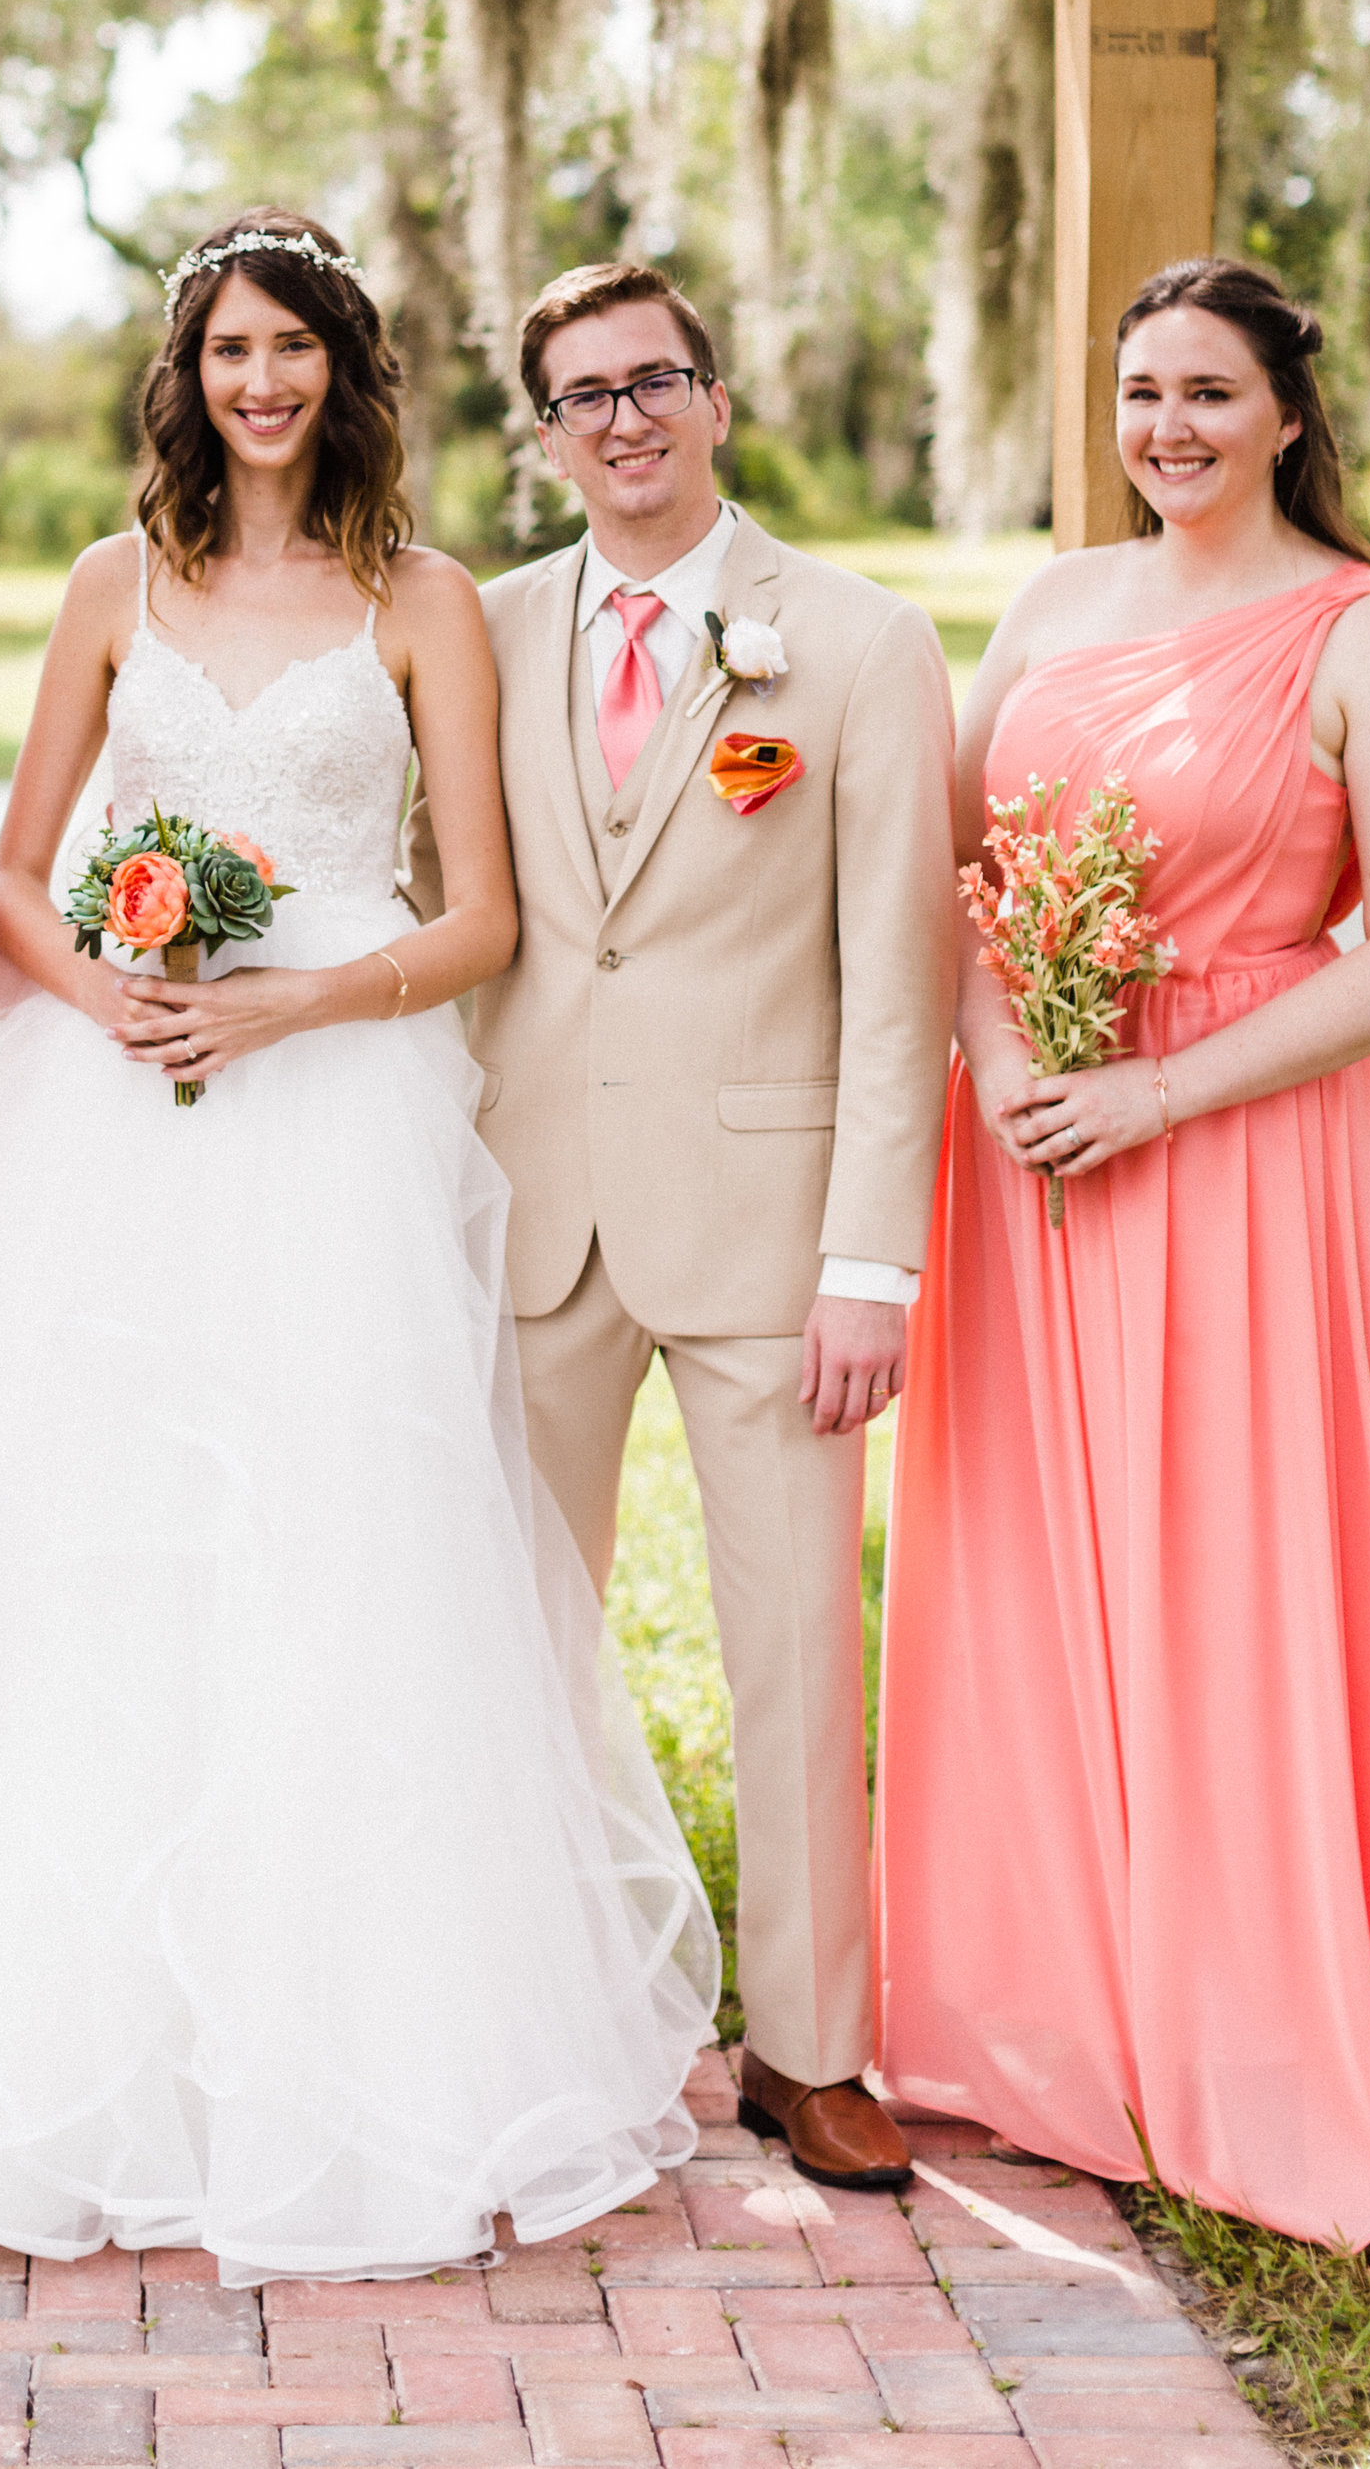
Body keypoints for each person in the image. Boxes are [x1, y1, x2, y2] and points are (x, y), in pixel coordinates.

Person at [0, 208, 720, 2267]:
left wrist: (285, 1002)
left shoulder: (420, 603)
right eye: (229, 350)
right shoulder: (106, 585)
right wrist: (112, 992)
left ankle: (347, 2049)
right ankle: (53, 2047)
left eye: (293, 351)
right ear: (188, 372)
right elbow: (14, 880)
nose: (260, 384)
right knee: (92, 1545)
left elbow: (478, 916)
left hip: (335, 1115)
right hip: (122, 1121)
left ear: (341, 373)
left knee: (335, 1543)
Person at [876, 255, 1370, 2243]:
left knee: (1230, 1570)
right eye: (1140, 393)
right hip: (1032, 1143)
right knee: (1035, 1559)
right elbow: (958, 875)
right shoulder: (1055, 603)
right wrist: (1000, 1063)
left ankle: (1243, 2032)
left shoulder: (1363, 631)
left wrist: (1153, 1092)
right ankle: (1039, 2019)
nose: (1167, 430)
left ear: (1288, 412)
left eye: (1208, 393)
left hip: (1232, 1153)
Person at [416, 259, 955, 2191]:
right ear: (542, 432)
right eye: (583, 394)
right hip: (531, 1212)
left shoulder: (864, 643)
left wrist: (869, 1260)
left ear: (715, 401)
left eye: (655, 381)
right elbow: (429, 908)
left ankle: (810, 2050)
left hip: (767, 1225)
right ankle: (539, 2015)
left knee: (794, 1645)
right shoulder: (476, 630)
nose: (623, 418)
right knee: (508, 1641)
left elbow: (902, 983)